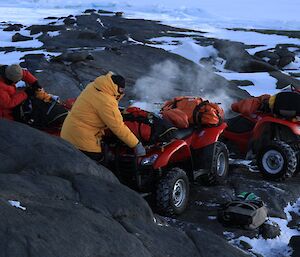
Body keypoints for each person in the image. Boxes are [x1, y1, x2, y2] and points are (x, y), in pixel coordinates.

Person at [60, 72, 146, 163]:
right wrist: (136, 144)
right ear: (114, 86)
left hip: (68, 130)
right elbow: (118, 127)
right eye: (121, 88)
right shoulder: (107, 101)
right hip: (81, 139)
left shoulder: (94, 86)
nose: (122, 91)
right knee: (102, 162)